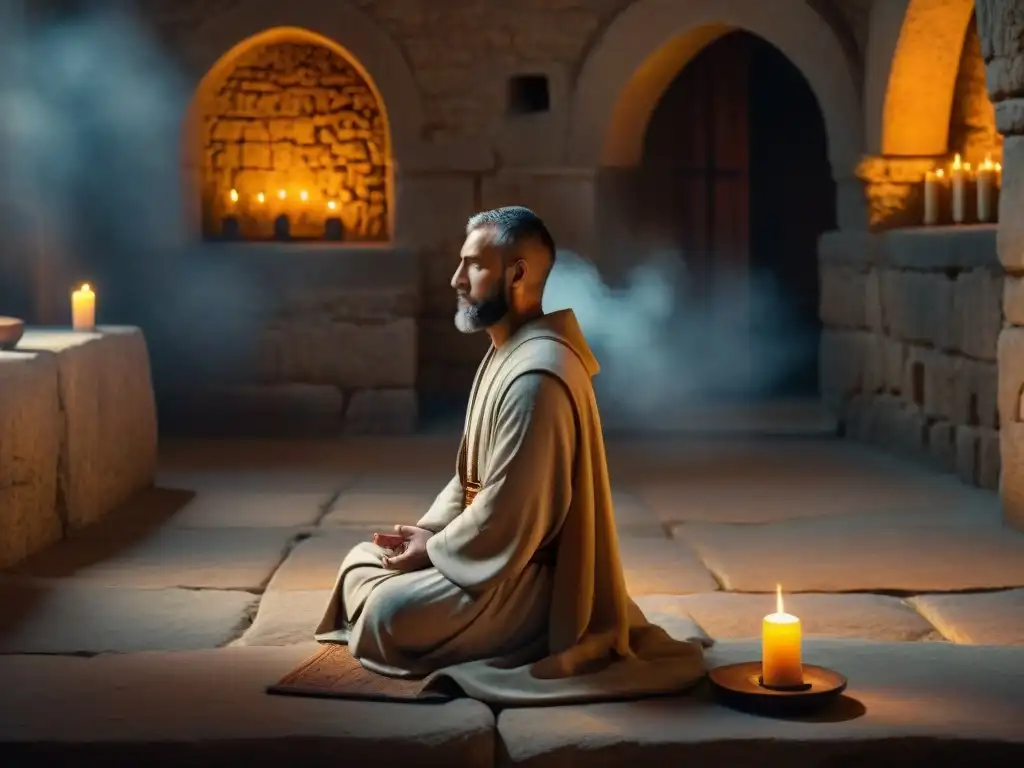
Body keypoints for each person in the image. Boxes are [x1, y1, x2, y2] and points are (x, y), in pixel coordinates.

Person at [315, 206, 708, 705]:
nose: (457, 279)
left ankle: (512, 627)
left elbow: (510, 517)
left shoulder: (537, 375)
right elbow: (468, 480)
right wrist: (430, 534)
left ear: (517, 272)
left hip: (525, 576)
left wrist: (432, 553)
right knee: (360, 561)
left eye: (473, 265)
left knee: (387, 613)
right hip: (479, 554)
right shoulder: (506, 352)